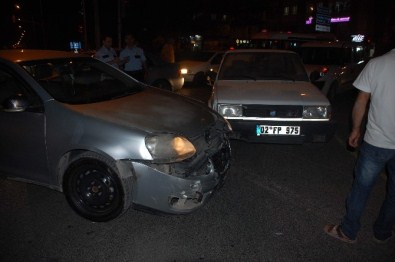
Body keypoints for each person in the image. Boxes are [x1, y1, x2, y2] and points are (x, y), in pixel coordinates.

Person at [324, 35, 395, 244]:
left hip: (376, 142)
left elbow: (361, 100)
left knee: (361, 188)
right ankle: (382, 231)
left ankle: (348, 230)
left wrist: (355, 129)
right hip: (377, 142)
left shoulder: (377, 64)